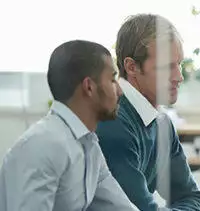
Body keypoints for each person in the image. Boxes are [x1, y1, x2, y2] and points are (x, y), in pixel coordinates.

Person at [0, 40, 138, 210]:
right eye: (112, 80)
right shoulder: (40, 146)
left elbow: (119, 206)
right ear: (89, 87)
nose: (119, 90)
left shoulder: (89, 145)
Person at [95, 14, 200, 211]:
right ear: (132, 67)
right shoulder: (112, 121)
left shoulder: (162, 123)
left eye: (178, 64)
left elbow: (193, 198)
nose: (179, 77)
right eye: (167, 67)